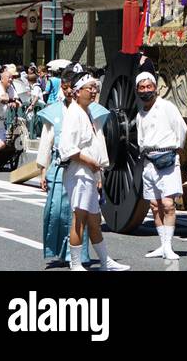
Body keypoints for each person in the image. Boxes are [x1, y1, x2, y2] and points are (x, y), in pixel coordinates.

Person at [58, 68, 129, 272]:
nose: (94, 91)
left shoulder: (87, 112)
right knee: (79, 217)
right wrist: (90, 163)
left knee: (94, 220)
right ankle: (76, 263)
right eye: (90, 88)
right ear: (77, 91)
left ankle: (106, 261)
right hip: (79, 171)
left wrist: (96, 171)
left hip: (89, 171)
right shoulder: (74, 113)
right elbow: (68, 147)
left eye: (95, 88)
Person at [36, 71, 92, 267]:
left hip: (81, 167)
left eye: (72, 88)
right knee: (57, 213)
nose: (69, 91)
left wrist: (99, 173)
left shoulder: (87, 110)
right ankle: (60, 251)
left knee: (78, 214)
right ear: (62, 88)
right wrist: (43, 170)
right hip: (59, 168)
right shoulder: (53, 112)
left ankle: (76, 256)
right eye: (65, 88)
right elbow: (46, 142)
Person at [135, 71, 187, 262]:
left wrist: (178, 148)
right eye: (142, 88)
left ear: (155, 88)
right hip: (149, 161)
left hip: (167, 158)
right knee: (154, 205)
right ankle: (162, 245)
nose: (146, 90)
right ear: (137, 90)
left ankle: (168, 246)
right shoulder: (141, 113)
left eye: (149, 87)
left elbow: (181, 128)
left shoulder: (167, 107)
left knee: (168, 204)